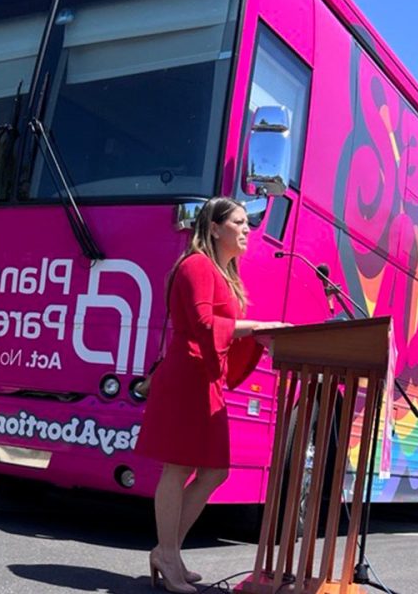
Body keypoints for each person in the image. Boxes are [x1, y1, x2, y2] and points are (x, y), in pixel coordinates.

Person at [135, 197, 286, 592]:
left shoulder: (223, 272)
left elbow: (219, 330)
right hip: (188, 377)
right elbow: (204, 324)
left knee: (215, 471)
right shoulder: (197, 264)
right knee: (178, 468)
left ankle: (166, 551)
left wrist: (257, 337)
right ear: (216, 228)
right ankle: (168, 554)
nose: (247, 228)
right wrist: (256, 327)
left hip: (206, 378)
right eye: (239, 221)